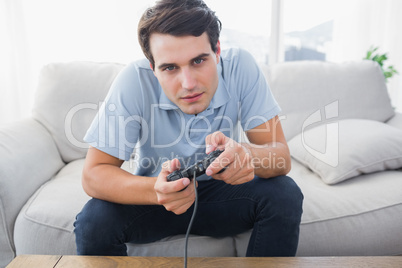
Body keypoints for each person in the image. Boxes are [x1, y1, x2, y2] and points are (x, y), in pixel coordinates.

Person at [74, 0, 303, 257]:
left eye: (198, 61)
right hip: (156, 197)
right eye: (170, 67)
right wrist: (157, 191)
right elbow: (93, 175)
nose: (188, 83)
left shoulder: (242, 66)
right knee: (93, 221)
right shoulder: (133, 80)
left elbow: (281, 157)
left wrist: (247, 155)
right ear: (153, 68)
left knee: (284, 194)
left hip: (223, 195)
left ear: (217, 50)